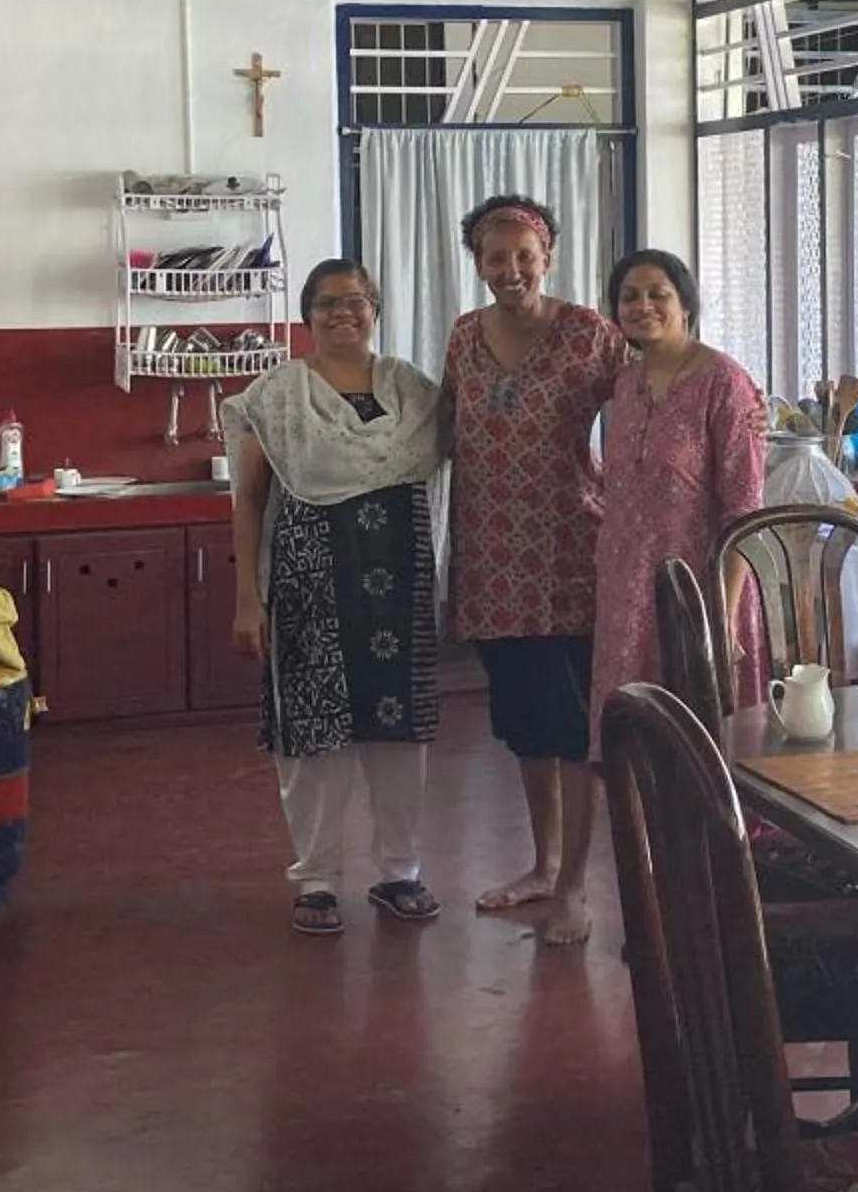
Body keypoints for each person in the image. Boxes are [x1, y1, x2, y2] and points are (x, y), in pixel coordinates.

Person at [227, 260, 448, 936]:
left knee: (399, 731)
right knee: (312, 737)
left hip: (399, 587)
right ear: (307, 316)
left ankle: (399, 871)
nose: (342, 313)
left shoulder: (411, 389)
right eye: (327, 303)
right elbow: (249, 500)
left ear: (376, 309)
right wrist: (247, 598)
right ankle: (317, 879)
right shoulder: (277, 397)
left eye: (356, 300)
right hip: (307, 587)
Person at [440, 193, 628, 948]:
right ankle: (544, 866)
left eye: (525, 256)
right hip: (491, 562)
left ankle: (576, 885)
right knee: (526, 727)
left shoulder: (590, 332)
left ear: (547, 257)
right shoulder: (464, 335)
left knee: (573, 728)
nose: (511, 269)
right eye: (496, 257)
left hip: (568, 558)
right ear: (477, 263)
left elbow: (651, 403)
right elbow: (440, 427)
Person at [592, 245, 766, 744]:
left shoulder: (724, 383)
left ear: (685, 304)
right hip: (626, 586)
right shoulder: (626, 382)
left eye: (658, 294)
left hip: (698, 588)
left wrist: (723, 615)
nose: (643, 306)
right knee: (633, 737)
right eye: (630, 297)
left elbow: (744, 509)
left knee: (700, 743)